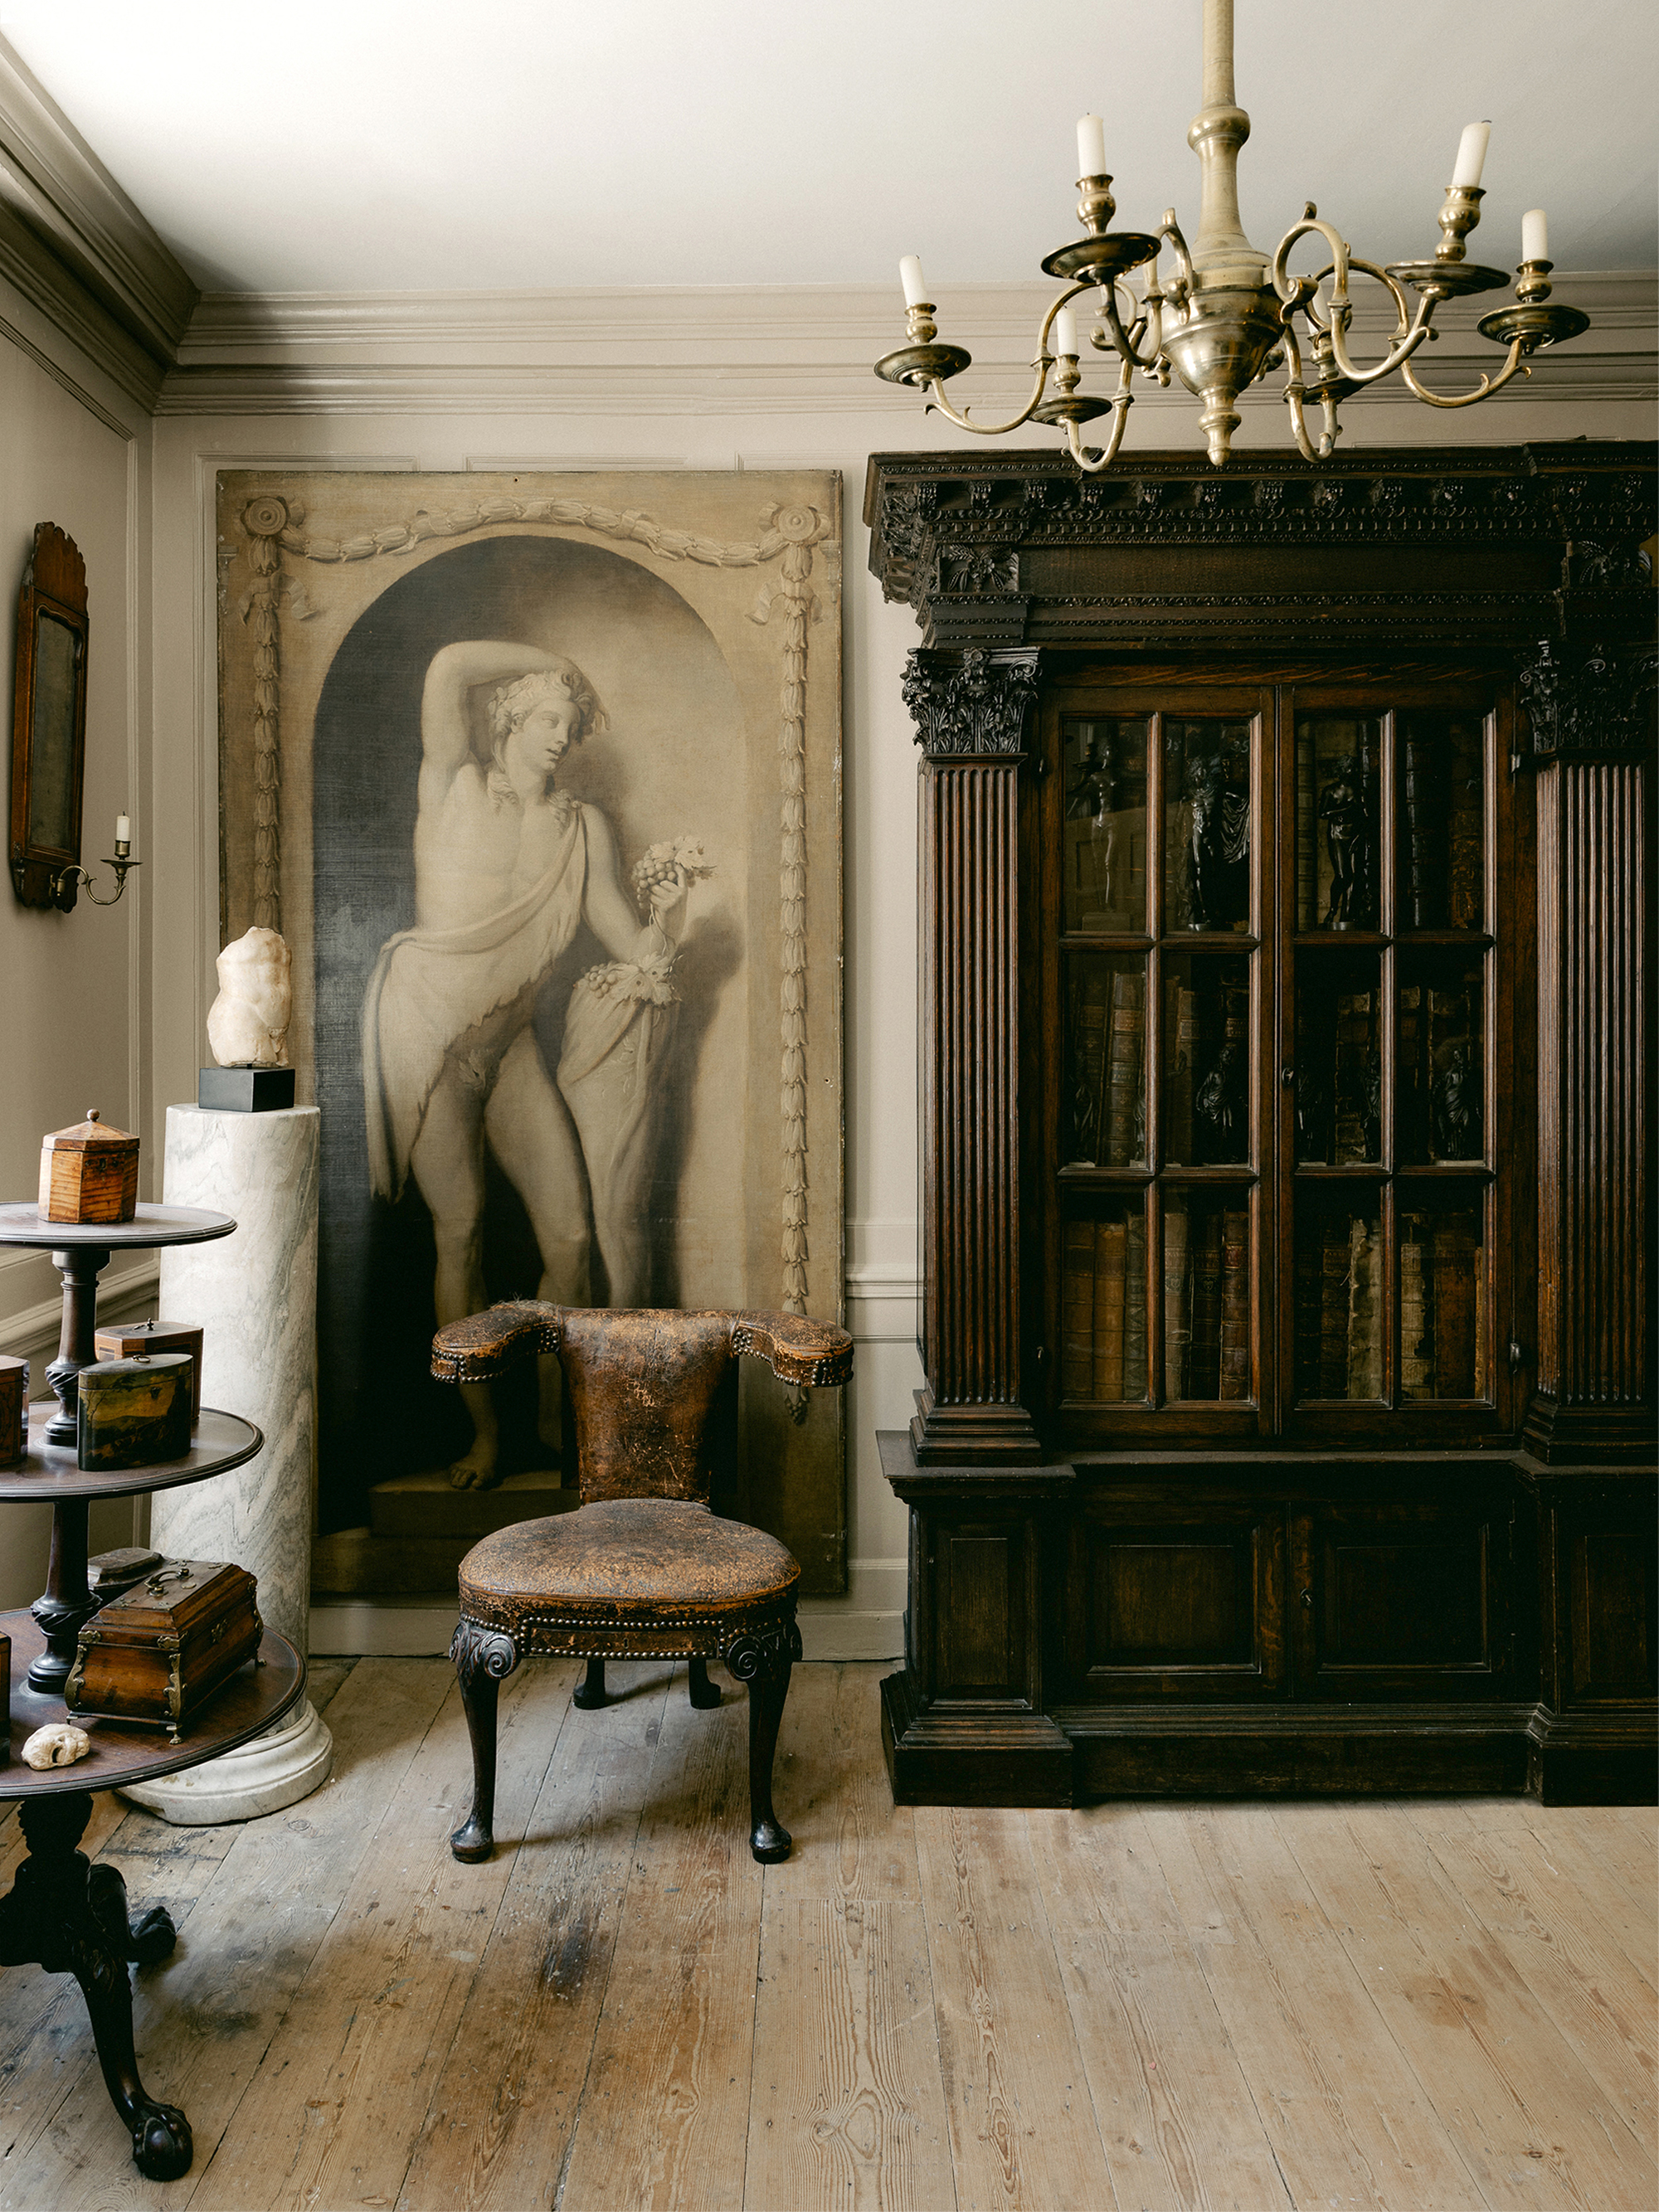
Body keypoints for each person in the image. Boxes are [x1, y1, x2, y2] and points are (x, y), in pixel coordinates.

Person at [362, 640, 688, 1488]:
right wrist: (552, 660)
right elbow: (444, 668)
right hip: (427, 1038)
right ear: (510, 717)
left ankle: (554, 1415)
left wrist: (677, 911)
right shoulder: (453, 783)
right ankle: (483, 1437)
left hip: (509, 1051)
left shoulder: (582, 828)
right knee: (460, 1232)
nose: (560, 734)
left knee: (572, 1239)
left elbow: (628, 940)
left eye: (570, 723)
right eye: (548, 716)